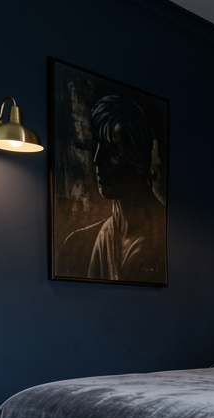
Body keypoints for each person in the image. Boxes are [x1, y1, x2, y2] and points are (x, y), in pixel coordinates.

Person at [84, 95, 166, 283]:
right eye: (96, 147)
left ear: (137, 157)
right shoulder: (106, 236)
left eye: (112, 152)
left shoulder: (160, 236)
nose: (97, 160)